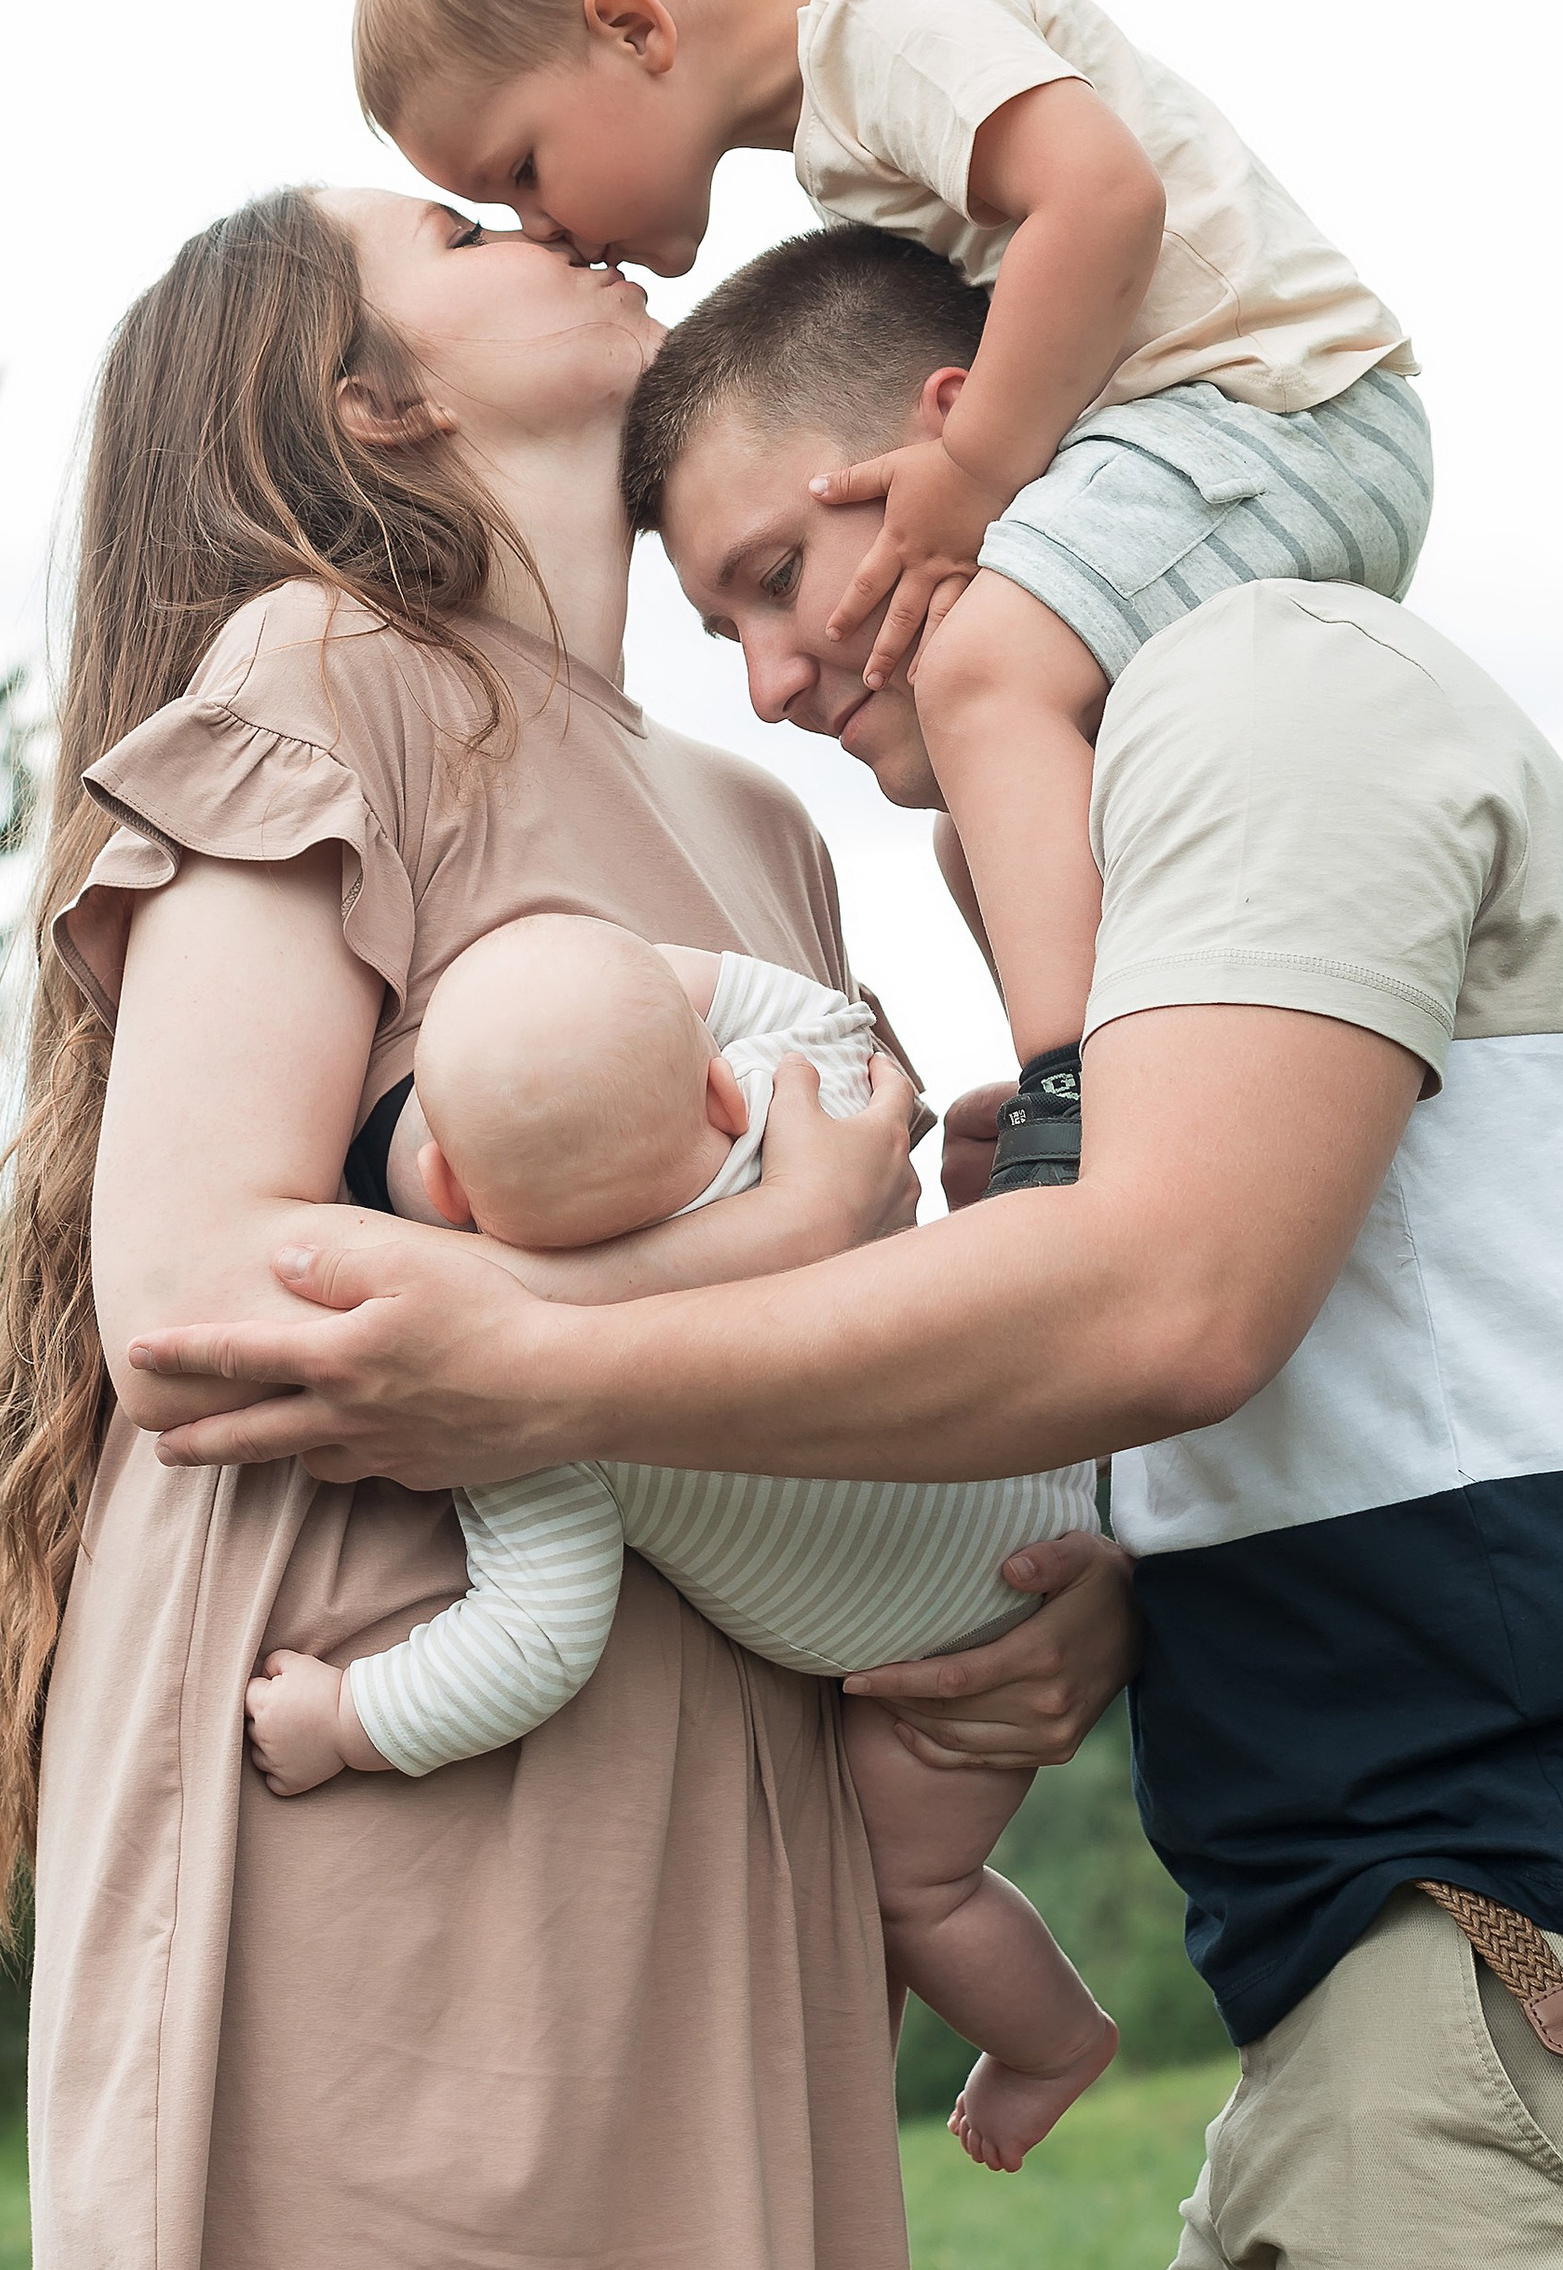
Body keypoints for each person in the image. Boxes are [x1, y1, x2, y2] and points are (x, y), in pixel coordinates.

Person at [135, 227, 1563, 2270]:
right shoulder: (1114, 836)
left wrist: (539, 1360)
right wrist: (1107, 1558)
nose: (765, 670)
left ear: (946, 444)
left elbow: (1167, 1306)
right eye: (717, 620)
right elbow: (1227, 1351)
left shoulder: (1263, 687)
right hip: (1403, 1976)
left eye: (774, 573)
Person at [0, 184, 1139, 2270]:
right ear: (371, 398)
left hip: (724, 1751)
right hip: (402, 1721)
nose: (548, 217)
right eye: (459, 226)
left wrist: (1056, 1594)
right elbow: (188, 1293)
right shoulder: (325, 667)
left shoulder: (759, 820)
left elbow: (850, 1325)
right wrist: (737, 1258)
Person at [353, 0, 1432, 1121]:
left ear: (633, 28)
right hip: (1202, 435)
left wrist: (972, 472)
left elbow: (1101, 199)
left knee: (980, 670)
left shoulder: (889, 27)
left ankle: (1081, 1098)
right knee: (974, 828)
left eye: (523, 169)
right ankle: (1085, 1066)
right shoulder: (843, 137)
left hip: (1275, 404)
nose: (545, 229)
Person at [241, 911, 1116, 2177]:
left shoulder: (533, 1401)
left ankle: (1052, 2044)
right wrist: (643, 975)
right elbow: (827, 1013)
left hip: (943, 1650)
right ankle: (1047, 2050)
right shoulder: (793, 1098)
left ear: (446, 1197)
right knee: (919, 1875)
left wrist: (344, 1718)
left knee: (913, 1887)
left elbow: (532, 1643)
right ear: (711, 1073)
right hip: (1043, 1484)